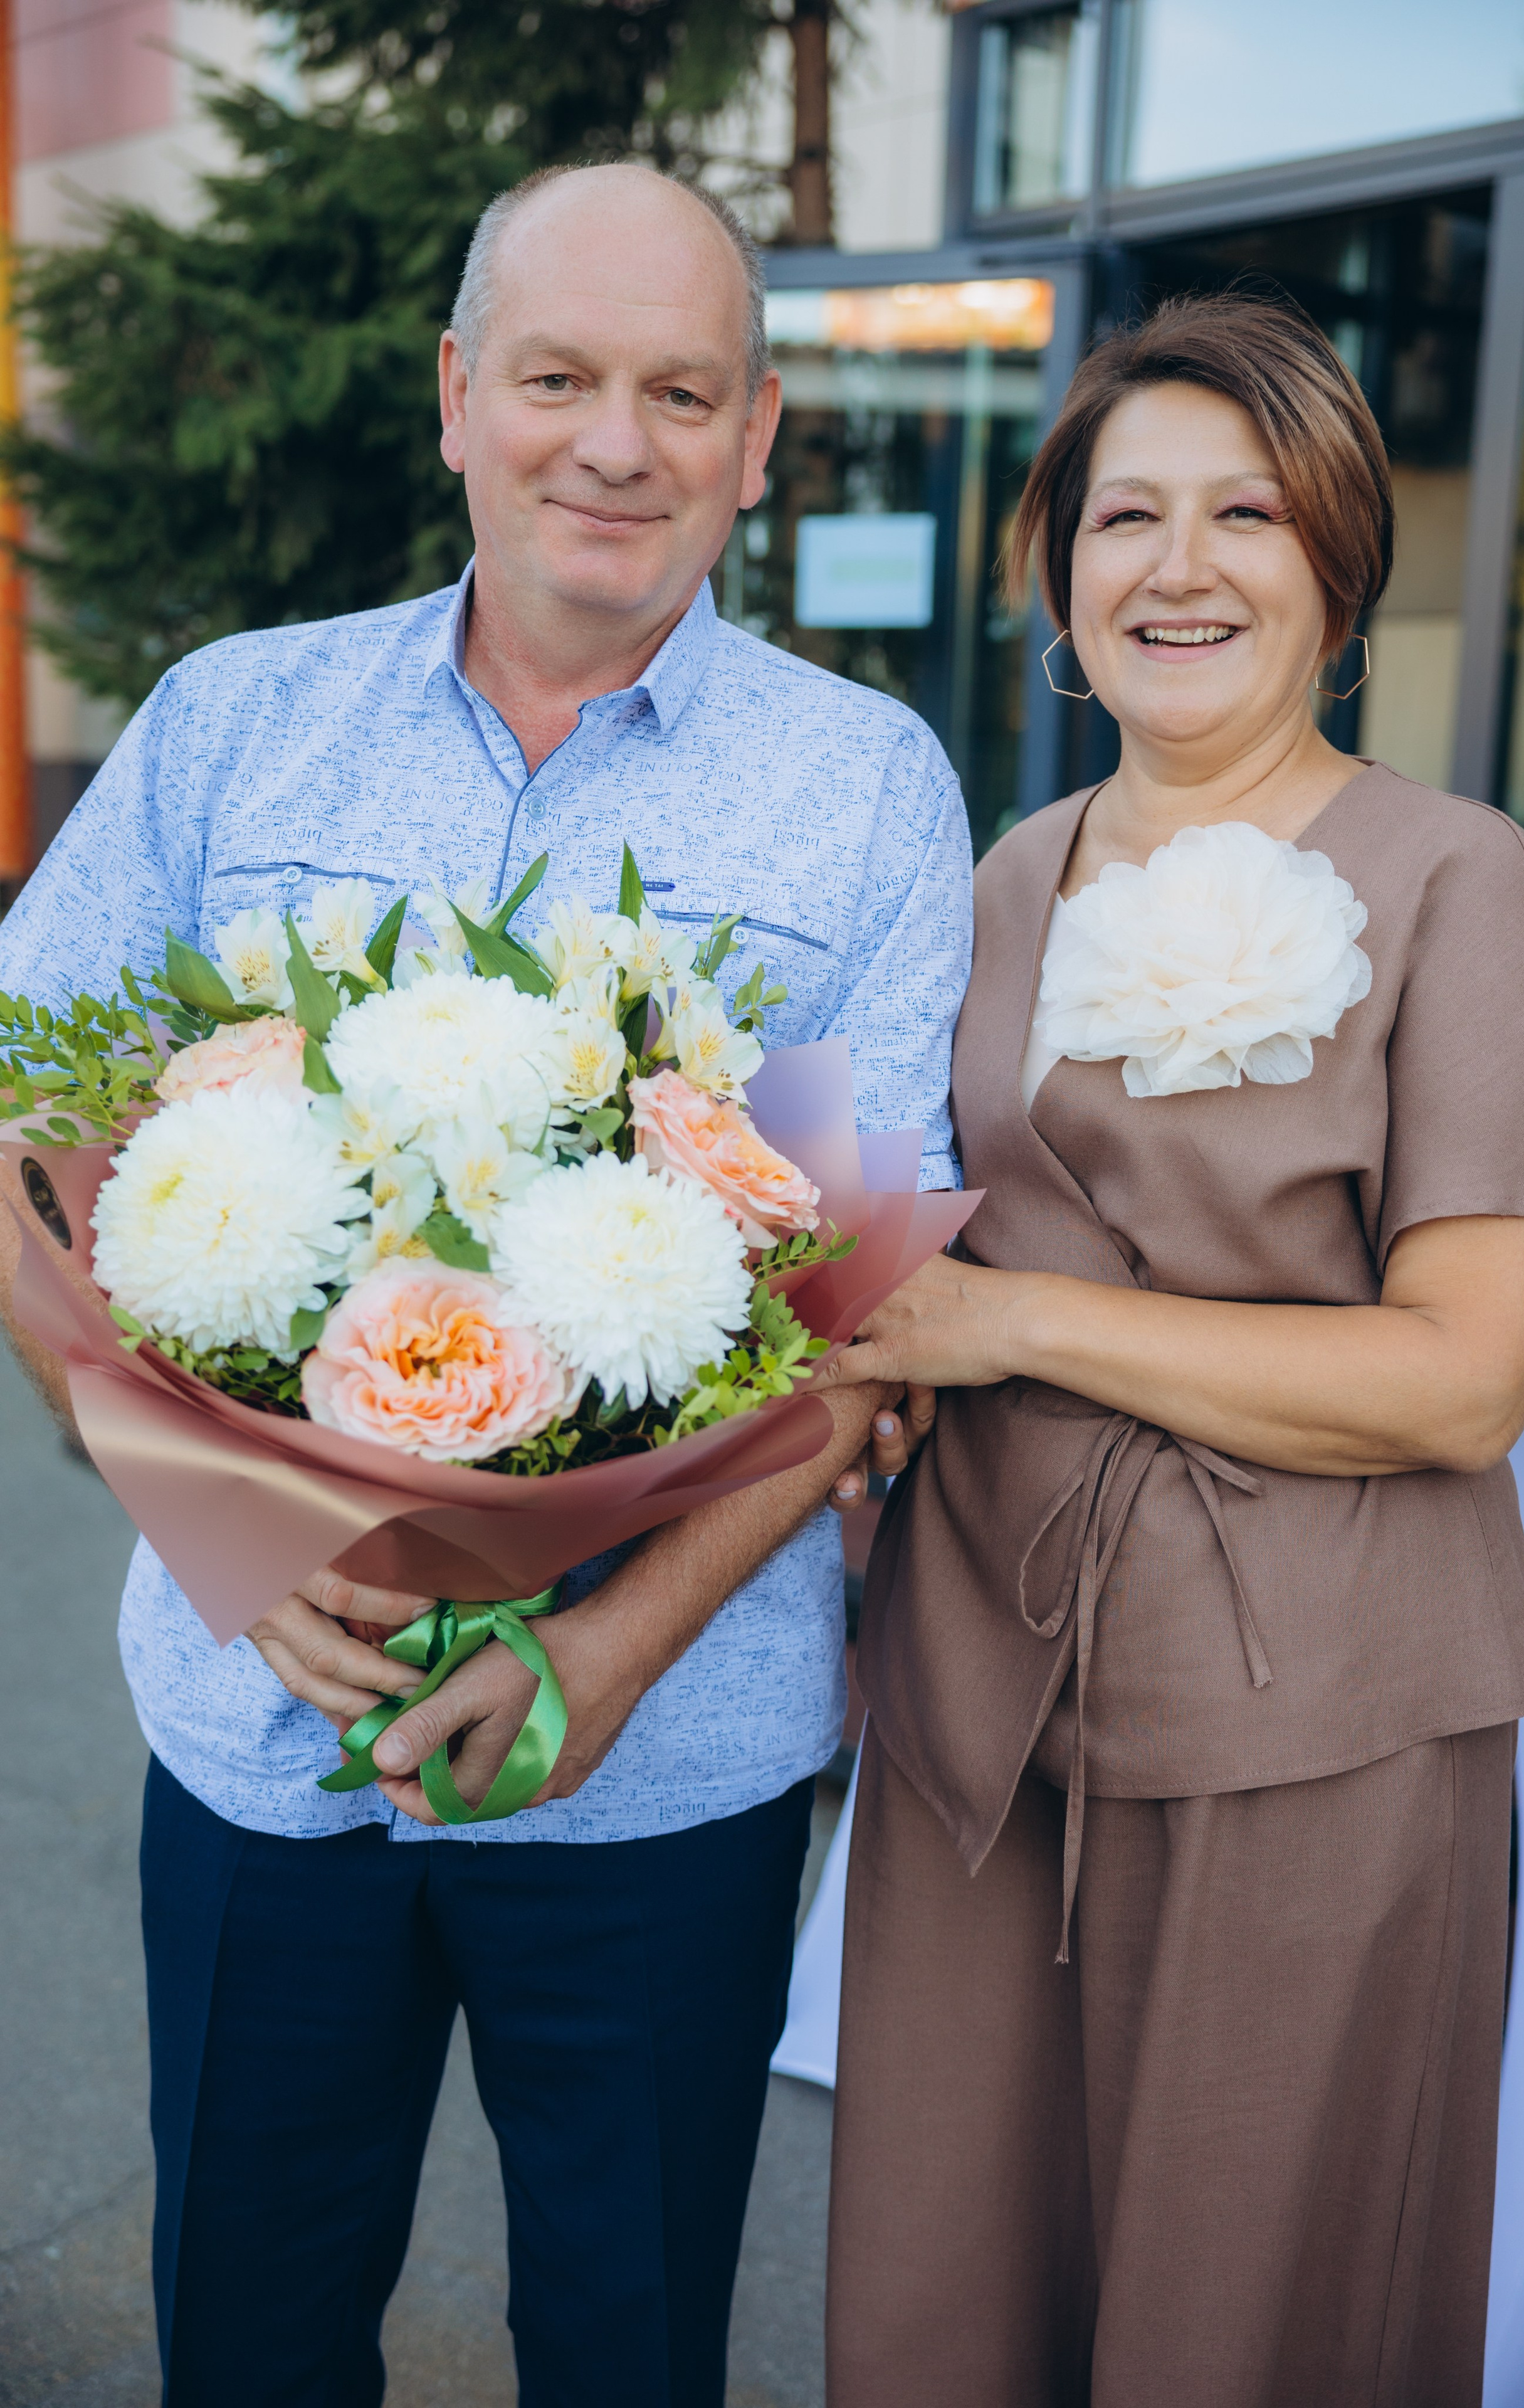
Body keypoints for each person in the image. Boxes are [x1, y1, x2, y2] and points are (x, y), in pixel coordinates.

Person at [0, 164, 971, 2405]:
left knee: (628, 2346)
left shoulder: (859, 796)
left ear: (758, 435)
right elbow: (39, 1161)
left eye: (679, 391)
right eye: (557, 378)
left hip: (666, 1757)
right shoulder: (239, 726)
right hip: (266, 1730)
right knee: (249, 2334)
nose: (613, 443)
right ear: (458, 399)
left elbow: (853, 1310)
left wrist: (614, 1648)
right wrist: (227, 1538)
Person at [817, 293, 1524, 2407]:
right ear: (1061, 582)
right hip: (982, 1693)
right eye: (1126, 518)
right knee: (945, 2283)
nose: (1181, 567)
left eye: (1245, 513)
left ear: (1337, 571)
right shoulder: (1002, 878)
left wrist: (1009, 1324)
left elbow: (1464, 1377)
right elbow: (889, 1217)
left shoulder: (1466, 885)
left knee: (1247, 2313)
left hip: (1321, 1717)